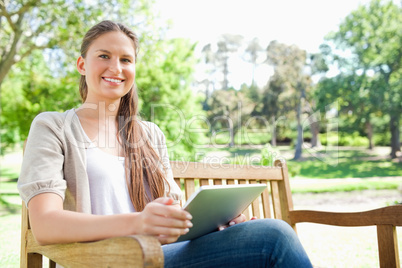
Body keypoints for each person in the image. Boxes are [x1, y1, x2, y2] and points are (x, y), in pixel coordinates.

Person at [18, 20, 312, 267]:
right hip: (105, 259)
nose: (116, 67)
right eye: (104, 56)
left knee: (262, 234)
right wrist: (139, 223)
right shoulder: (53, 126)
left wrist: (217, 224)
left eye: (126, 59)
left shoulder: (149, 135)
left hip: (162, 254)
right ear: (82, 65)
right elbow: (45, 225)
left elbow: (172, 212)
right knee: (274, 237)